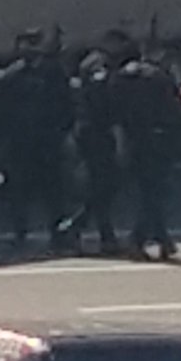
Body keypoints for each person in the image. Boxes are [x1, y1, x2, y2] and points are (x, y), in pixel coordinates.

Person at [0, 28, 73, 251]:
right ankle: (20, 232)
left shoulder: (53, 73)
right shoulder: (13, 75)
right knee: (20, 191)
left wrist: (61, 131)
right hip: (21, 142)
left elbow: (66, 104)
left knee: (54, 190)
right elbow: (1, 109)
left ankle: (57, 233)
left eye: (33, 43)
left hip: (47, 141)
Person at [113, 38, 181, 262]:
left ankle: (164, 241)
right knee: (156, 193)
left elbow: (114, 110)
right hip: (157, 140)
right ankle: (138, 240)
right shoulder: (160, 77)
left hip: (132, 139)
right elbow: (176, 109)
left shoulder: (122, 76)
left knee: (148, 192)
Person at [56, 42, 122, 255]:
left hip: (91, 130)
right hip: (96, 132)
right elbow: (101, 96)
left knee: (102, 185)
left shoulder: (93, 65)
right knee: (103, 184)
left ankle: (101, 234)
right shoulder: (99, 66)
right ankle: (76, 227)